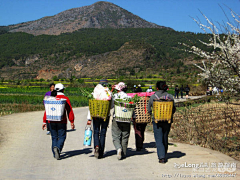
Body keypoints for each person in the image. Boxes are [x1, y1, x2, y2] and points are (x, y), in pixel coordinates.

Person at [42, 83, 75, 160]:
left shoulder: (50, 98)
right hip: (62, 121)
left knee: (54, 137)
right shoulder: (65, 99)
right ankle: (58, 148)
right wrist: (72, 121)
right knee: (62, 136)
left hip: (51, 121)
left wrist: (44, 121)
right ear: (63, 90)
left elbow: (46, 111)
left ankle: (55, 153)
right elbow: (69, 111)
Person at [147, 81, 176, 163]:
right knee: (165, 137)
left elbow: (149, 109)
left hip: (157, 121)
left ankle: (161, 157)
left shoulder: (153, 97)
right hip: (167, 120)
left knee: (159, 139)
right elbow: (173, 109)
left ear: (157, 88)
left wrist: (151, 115)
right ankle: (164, 153)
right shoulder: (170, 96)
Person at [87, 79, 111, 159]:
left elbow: (91, 105)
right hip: (105, 115)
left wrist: (89, 118)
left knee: (96, 132)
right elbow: (111, 105)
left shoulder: (95, 91)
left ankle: (96, 146)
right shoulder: (108, 92)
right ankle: (101, 152)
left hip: (95, 115)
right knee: (103, 133)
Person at [111, 82, 132, 160]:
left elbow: (111, 106)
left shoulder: (115, 96)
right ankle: (124, 153)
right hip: (126, 119)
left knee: (116, 135)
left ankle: (118, 148)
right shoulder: (129, 97)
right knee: (125, 135)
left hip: (116, 118)